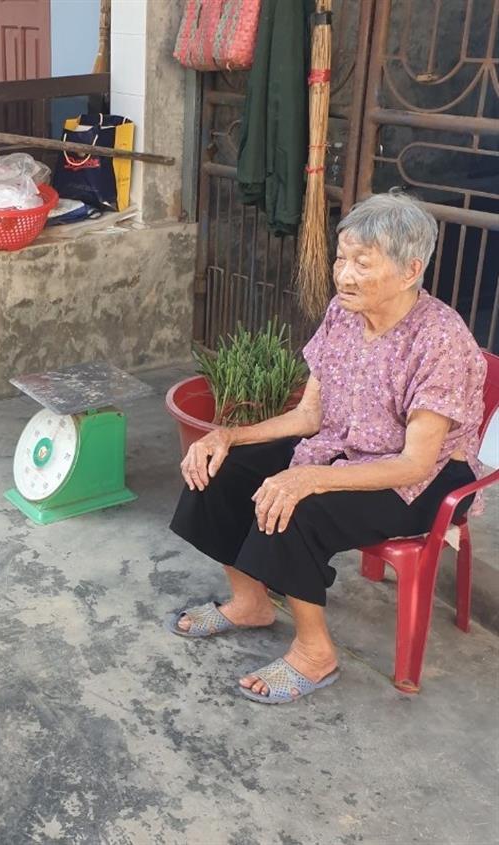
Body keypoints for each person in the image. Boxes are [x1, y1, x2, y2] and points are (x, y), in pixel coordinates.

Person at [169, 190, 487, 704]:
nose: (344, 274)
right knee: (220, 473)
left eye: (363, 263)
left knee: (297, 509)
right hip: (344, 445)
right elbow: (310, 416)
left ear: (409, 271)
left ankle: (315, 654)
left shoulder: (441, 340)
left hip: (425, 478)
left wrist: (309, 478)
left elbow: (414, 463)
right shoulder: (344, 313)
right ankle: (251, 602)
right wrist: (227, 435)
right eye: (342, 258)